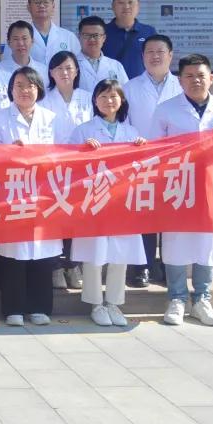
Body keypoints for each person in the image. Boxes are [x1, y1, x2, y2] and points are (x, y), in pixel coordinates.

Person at [150, 54, 213, 327]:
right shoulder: (166, 110)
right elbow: (155, 149)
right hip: (178, 186)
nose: (196, 80)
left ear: (211, 78)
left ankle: (202, 298)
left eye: (201, 76)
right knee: (176, 242)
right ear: (180, 80)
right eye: (189, 76)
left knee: (209, 242)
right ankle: (177, 298)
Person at [0, 67, 72, 327]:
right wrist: (10, 151)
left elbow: (65, 152)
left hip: (44, 193)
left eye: (30, 85)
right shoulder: (0, 119)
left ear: (39, 89)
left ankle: (40, 307)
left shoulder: (52, 118)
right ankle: (13, 308)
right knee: (14, 255)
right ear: (11, 90)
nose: (25, 90)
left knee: (42, 255)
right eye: (19, 85)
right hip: (12, 192)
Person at [69, 79, 148, 327]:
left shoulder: (131, 133)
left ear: (121, 101)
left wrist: (141, 149)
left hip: (122, 200)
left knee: (119, 253)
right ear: (95, 101)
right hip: (94, 199)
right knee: (94, 253)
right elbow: (68, 163)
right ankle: (95, 303)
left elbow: (142, 166)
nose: (108, 101)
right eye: (103, 96)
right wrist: (83, 150)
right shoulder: (83, 131)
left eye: (113, 96)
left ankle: (113, 302)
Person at [124, 34, 182, 287]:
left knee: (170, 217)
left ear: (170, 55)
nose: (155, 56)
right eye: (150, 52)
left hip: (176, 162)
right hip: (141, 161)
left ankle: (169, 266)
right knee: (144, 215)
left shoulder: (182, 86)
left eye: (160, 52)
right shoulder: (129, 88)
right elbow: (123, 124)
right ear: (142, 56)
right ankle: (142, 266)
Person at [40, 51, 93, 290]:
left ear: (76, 71)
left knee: (77, 218)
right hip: (52, 169)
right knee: (55, 218)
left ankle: (73, 265)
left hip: (82, 169)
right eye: (59, 68)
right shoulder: (44, 100)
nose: (64, 72)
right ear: (51, 73)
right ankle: (55, 267)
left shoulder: (88, 98)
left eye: (69, 68)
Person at [103, 0, 157, 78]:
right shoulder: (102, 32)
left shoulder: (149, 32)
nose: (126, 6)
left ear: (138, 5)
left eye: (130, 2)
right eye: (121, 2)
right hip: (110, 85)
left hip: (140, 85)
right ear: (113, 6)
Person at [26, 0, 79, 65]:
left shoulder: (69, 37)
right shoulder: (19, 37)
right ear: (29, 7)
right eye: (37, 2)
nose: (42, 5)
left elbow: (78, 64)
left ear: (53, 6)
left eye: (46, 2)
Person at [76, 16, 128, 93]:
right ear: (79, 37)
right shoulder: (71, 65)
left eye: (96, 35)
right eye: (86, 35)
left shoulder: (116, 66)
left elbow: (126, 93)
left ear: (104, 38)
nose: (92, 39)